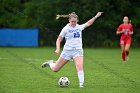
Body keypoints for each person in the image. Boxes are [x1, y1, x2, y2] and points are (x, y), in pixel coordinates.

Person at [41, 12, 103, 87]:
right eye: (72, 21)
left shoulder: (79, 27)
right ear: (69, 21)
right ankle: (50, 63)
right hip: (67, 51)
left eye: (75, 21)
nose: (73, 23)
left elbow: (88, 23)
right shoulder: (65, 29)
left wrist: (96, 16)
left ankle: (81, 85)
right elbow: (58, 39)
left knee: (79, 66)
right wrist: (57, 49)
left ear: (77, 21)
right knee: (55, 69)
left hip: (78, 51)